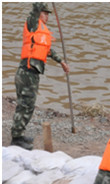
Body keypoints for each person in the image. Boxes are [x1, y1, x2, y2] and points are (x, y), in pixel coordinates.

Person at [11, 2, 70, 150]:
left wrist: (61, 62)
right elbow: (35, 8)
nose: (47, 16)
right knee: (25, 105)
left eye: (48, 14)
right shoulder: (33, 24)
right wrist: (39, 7)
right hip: (26, 72)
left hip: (31, 74)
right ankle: (16, 138)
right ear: (39, 13)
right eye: (45, 13)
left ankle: (19, 134)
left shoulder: (43, 32)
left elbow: (48, 51)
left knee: (27, 105)